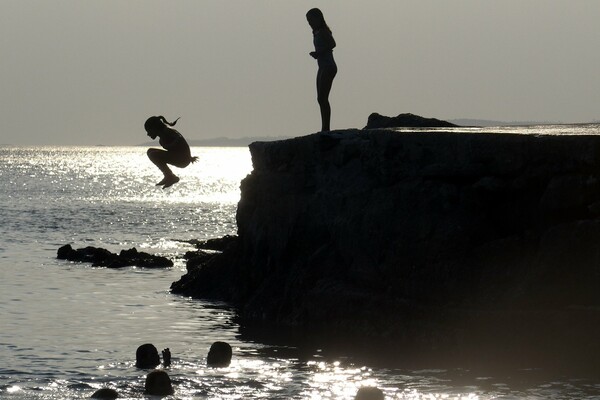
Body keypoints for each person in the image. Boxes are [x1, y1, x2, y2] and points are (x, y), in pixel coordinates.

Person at [145, 116, 198, 188]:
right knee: (150, 151)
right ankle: (169, 176)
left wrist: (189, 157)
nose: (148, 134)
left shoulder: (167, 132)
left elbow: (179, 139)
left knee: (153, 154)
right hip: (180, 158)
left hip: (182, 159)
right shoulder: (162, 138)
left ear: (155, 128)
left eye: (148, 131)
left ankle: (170, 176)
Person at [306, 8, 337, 132]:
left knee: (323, 98)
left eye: (311, 20)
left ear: (318, 18)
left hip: (329, 66)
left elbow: (333, 44)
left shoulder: (324, 31)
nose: (309, 23)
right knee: (320, 98)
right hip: (322, 66)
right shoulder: (316, 32)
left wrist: (319, 53)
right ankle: (324, 127)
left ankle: (326, 128)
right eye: (308, 21)